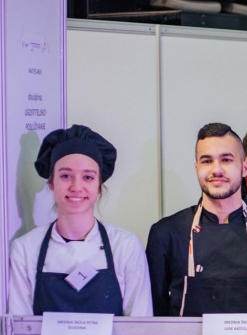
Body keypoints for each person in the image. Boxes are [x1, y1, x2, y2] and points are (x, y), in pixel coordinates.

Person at [9, 125, 152, 316]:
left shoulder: (125, 248)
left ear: (99, 185)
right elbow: (19, 328)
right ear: (51, 183)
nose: (76, 187)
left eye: (88, 177)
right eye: (65, 176)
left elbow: (140, 326)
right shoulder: (25, 250)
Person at [146, 123, 247, 316]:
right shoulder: (166, 234)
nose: (216, 170)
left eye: (226, 160)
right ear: (196, 168)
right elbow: (153, 317)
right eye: (207, 161)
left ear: (244, 168)